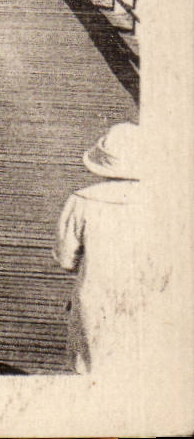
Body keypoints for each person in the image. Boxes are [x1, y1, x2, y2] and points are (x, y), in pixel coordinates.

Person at [53, 122, 168, 376]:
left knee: (91, 368)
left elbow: (65, 259)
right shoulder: (164, 202)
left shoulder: (82, 200)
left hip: (94, 298)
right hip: (151, 297)